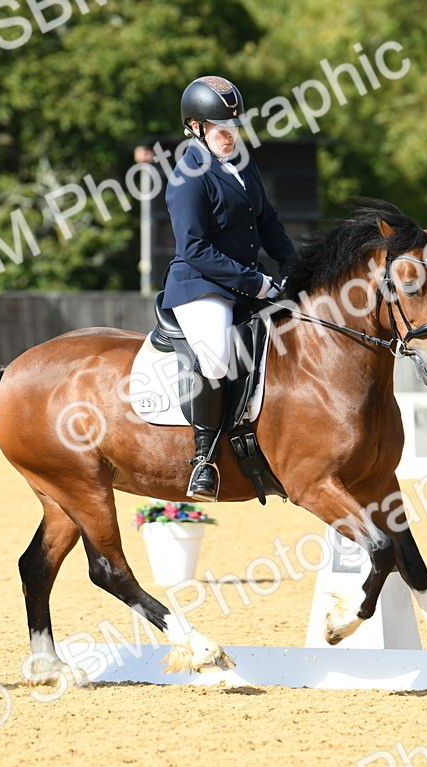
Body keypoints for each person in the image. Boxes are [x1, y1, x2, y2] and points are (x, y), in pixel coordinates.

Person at [162, 75, 295, 501]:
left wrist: (295, 266)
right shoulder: (187, 177)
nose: (230, 136)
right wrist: (257, 282)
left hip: (244, 283)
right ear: (195, 128)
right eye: (221, 129)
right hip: (201, 285)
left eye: (234, 127)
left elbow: (268, 221)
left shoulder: (241, 164)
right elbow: (196, 249)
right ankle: (204, 459)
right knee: (218, 359)